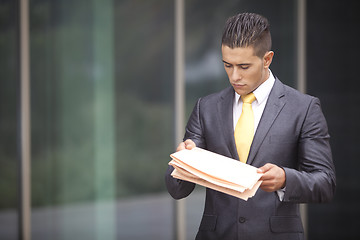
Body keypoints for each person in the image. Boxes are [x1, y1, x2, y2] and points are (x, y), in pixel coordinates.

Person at [165, 12, 336, 240]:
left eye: (244, 66)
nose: (234, 76)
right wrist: (183, 162)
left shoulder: (303, 108)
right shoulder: (205, 108)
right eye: (227, 65)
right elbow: (177, 190)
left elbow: (325, 182)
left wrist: (286, 178)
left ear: (267, 59)